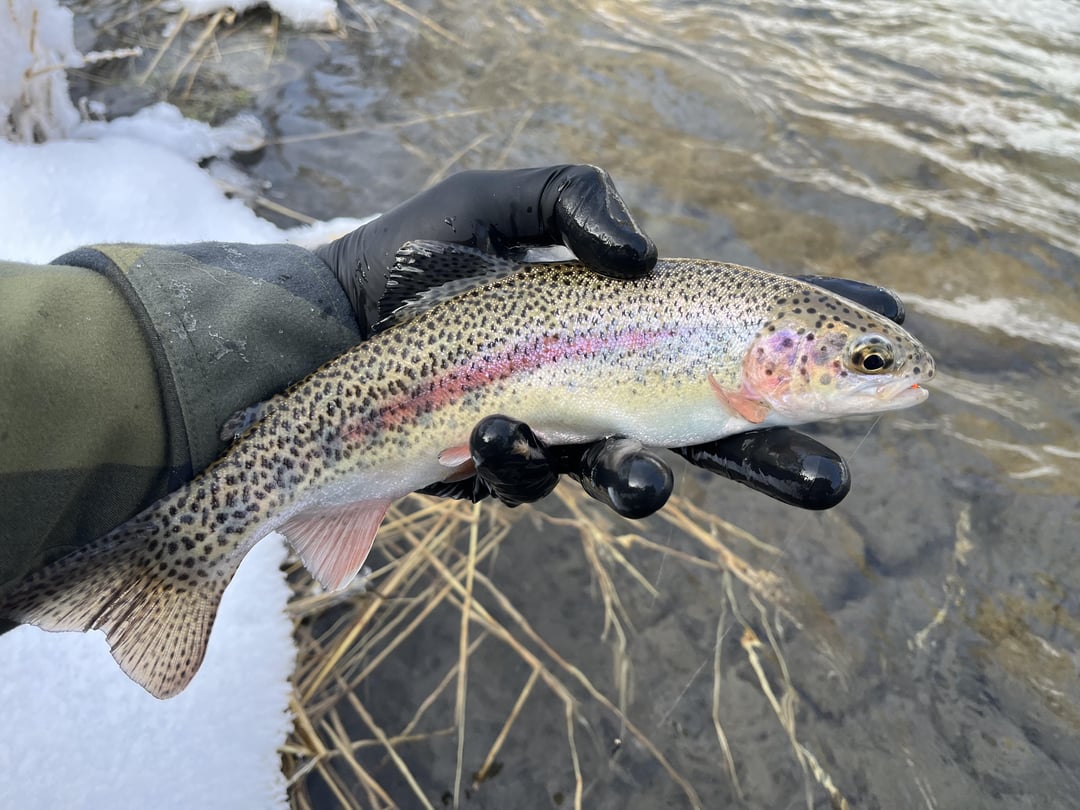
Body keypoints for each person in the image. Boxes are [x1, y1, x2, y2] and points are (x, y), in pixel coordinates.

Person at [0, 165, 906, 609]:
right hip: (378, 392)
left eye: (870, 365)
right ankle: (177, 550)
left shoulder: (746, 325)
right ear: (778, 352)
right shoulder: (736, 344)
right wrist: (344, 302)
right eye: (868, 363)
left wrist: (313, 312)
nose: (882, 377)